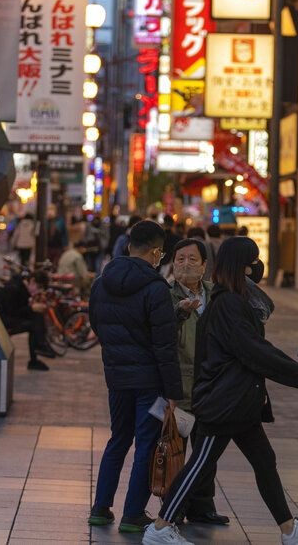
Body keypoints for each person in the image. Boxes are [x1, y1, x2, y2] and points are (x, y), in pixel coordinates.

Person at [144, 237, 298, 545]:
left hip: (239, 401)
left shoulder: (230, 299)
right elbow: (254, 350)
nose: (256, 266)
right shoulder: (229, 303)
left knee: (264, 460)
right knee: (199, 465)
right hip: (225, 403)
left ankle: (289, 530)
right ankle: (160, 528)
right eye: (252, 261)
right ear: (240, 264)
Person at [88, 221, 183, 533]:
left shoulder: (101, 283)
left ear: (129, 246)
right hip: (149, 382)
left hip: (116, 377)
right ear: (156, 251)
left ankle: (101, 509)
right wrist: (174, 392)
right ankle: (132, 514)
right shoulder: (156, 288)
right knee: (146, 444)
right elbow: (165, 346)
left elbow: (98, 325)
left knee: (118, 439)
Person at [167, 238, 228, 526]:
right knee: (174, 450)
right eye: (180, 259)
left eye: (193, 259)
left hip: (210, 385)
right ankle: (173, 506)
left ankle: (203, 506)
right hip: (177, 386)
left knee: (206, 451)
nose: (186, 265)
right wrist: (179, 313)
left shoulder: (216, 295)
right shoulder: (164, 295)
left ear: (205, 266)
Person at [0, 269, 52, 372]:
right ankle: (40, 347)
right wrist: (31, 308)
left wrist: (32, 309)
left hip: (10, 316)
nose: (38, 291)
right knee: (33, 324)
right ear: (32, 281)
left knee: (37, 317)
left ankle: (39, 347)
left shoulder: (22, 287)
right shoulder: (14, 288)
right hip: (3, 321)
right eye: (39, 287)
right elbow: (12, 311)